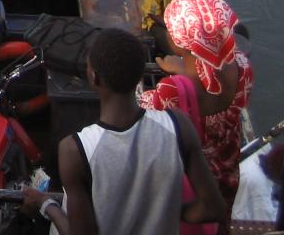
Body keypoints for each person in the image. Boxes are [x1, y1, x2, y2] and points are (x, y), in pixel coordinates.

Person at [22, 28, 227, 235]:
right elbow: (213, 208)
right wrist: (166, 211)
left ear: (94, 77)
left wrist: (47, 205)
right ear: (139, 76)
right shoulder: (178, 126)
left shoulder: (74, 150)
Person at [140, 0, 254, 225]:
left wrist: (180, 75)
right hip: (226, 181)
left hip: (193, 191)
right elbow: (210, 83)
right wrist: (186, 69)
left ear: (179, 41)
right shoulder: (243, 68)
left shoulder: (171, 91)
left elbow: (140, 109)